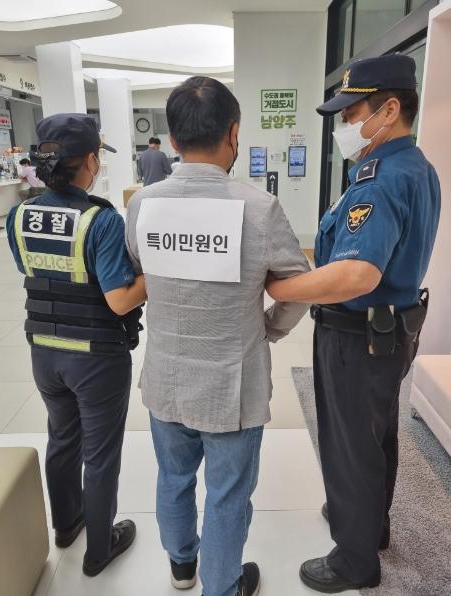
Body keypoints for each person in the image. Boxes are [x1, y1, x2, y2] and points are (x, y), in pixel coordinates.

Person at [125, 76, 310, 596]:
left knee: (173, 478)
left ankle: (182, 566)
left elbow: (138, 270)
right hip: (233, 384)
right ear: (233, 133)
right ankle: (222, 587)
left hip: (166, 378)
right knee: (227, 495)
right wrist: (269, 329)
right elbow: (298, 287)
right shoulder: (259, 207)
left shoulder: (142, 204)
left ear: (173, 139)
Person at [266, 54, 441, 593]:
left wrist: (281, 288)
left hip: (357, 335)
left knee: (350, 446)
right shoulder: (416, 167)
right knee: (375, 434)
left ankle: (354, 561)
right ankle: (370, 525)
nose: (344, 123)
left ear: (389, 110)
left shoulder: (380, 180)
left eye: (352, 112)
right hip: (390, 331)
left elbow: (356, 274)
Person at [6, 113, 147, 577]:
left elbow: (32, 270)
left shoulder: (19, 215)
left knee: (62, 438)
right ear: (89, 161)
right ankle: (100, 549)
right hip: (95, 359)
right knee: (100, 455)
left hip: (44, 352)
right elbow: (120, 300)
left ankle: (67, 525)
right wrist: (155, 273)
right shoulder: (99, 220)